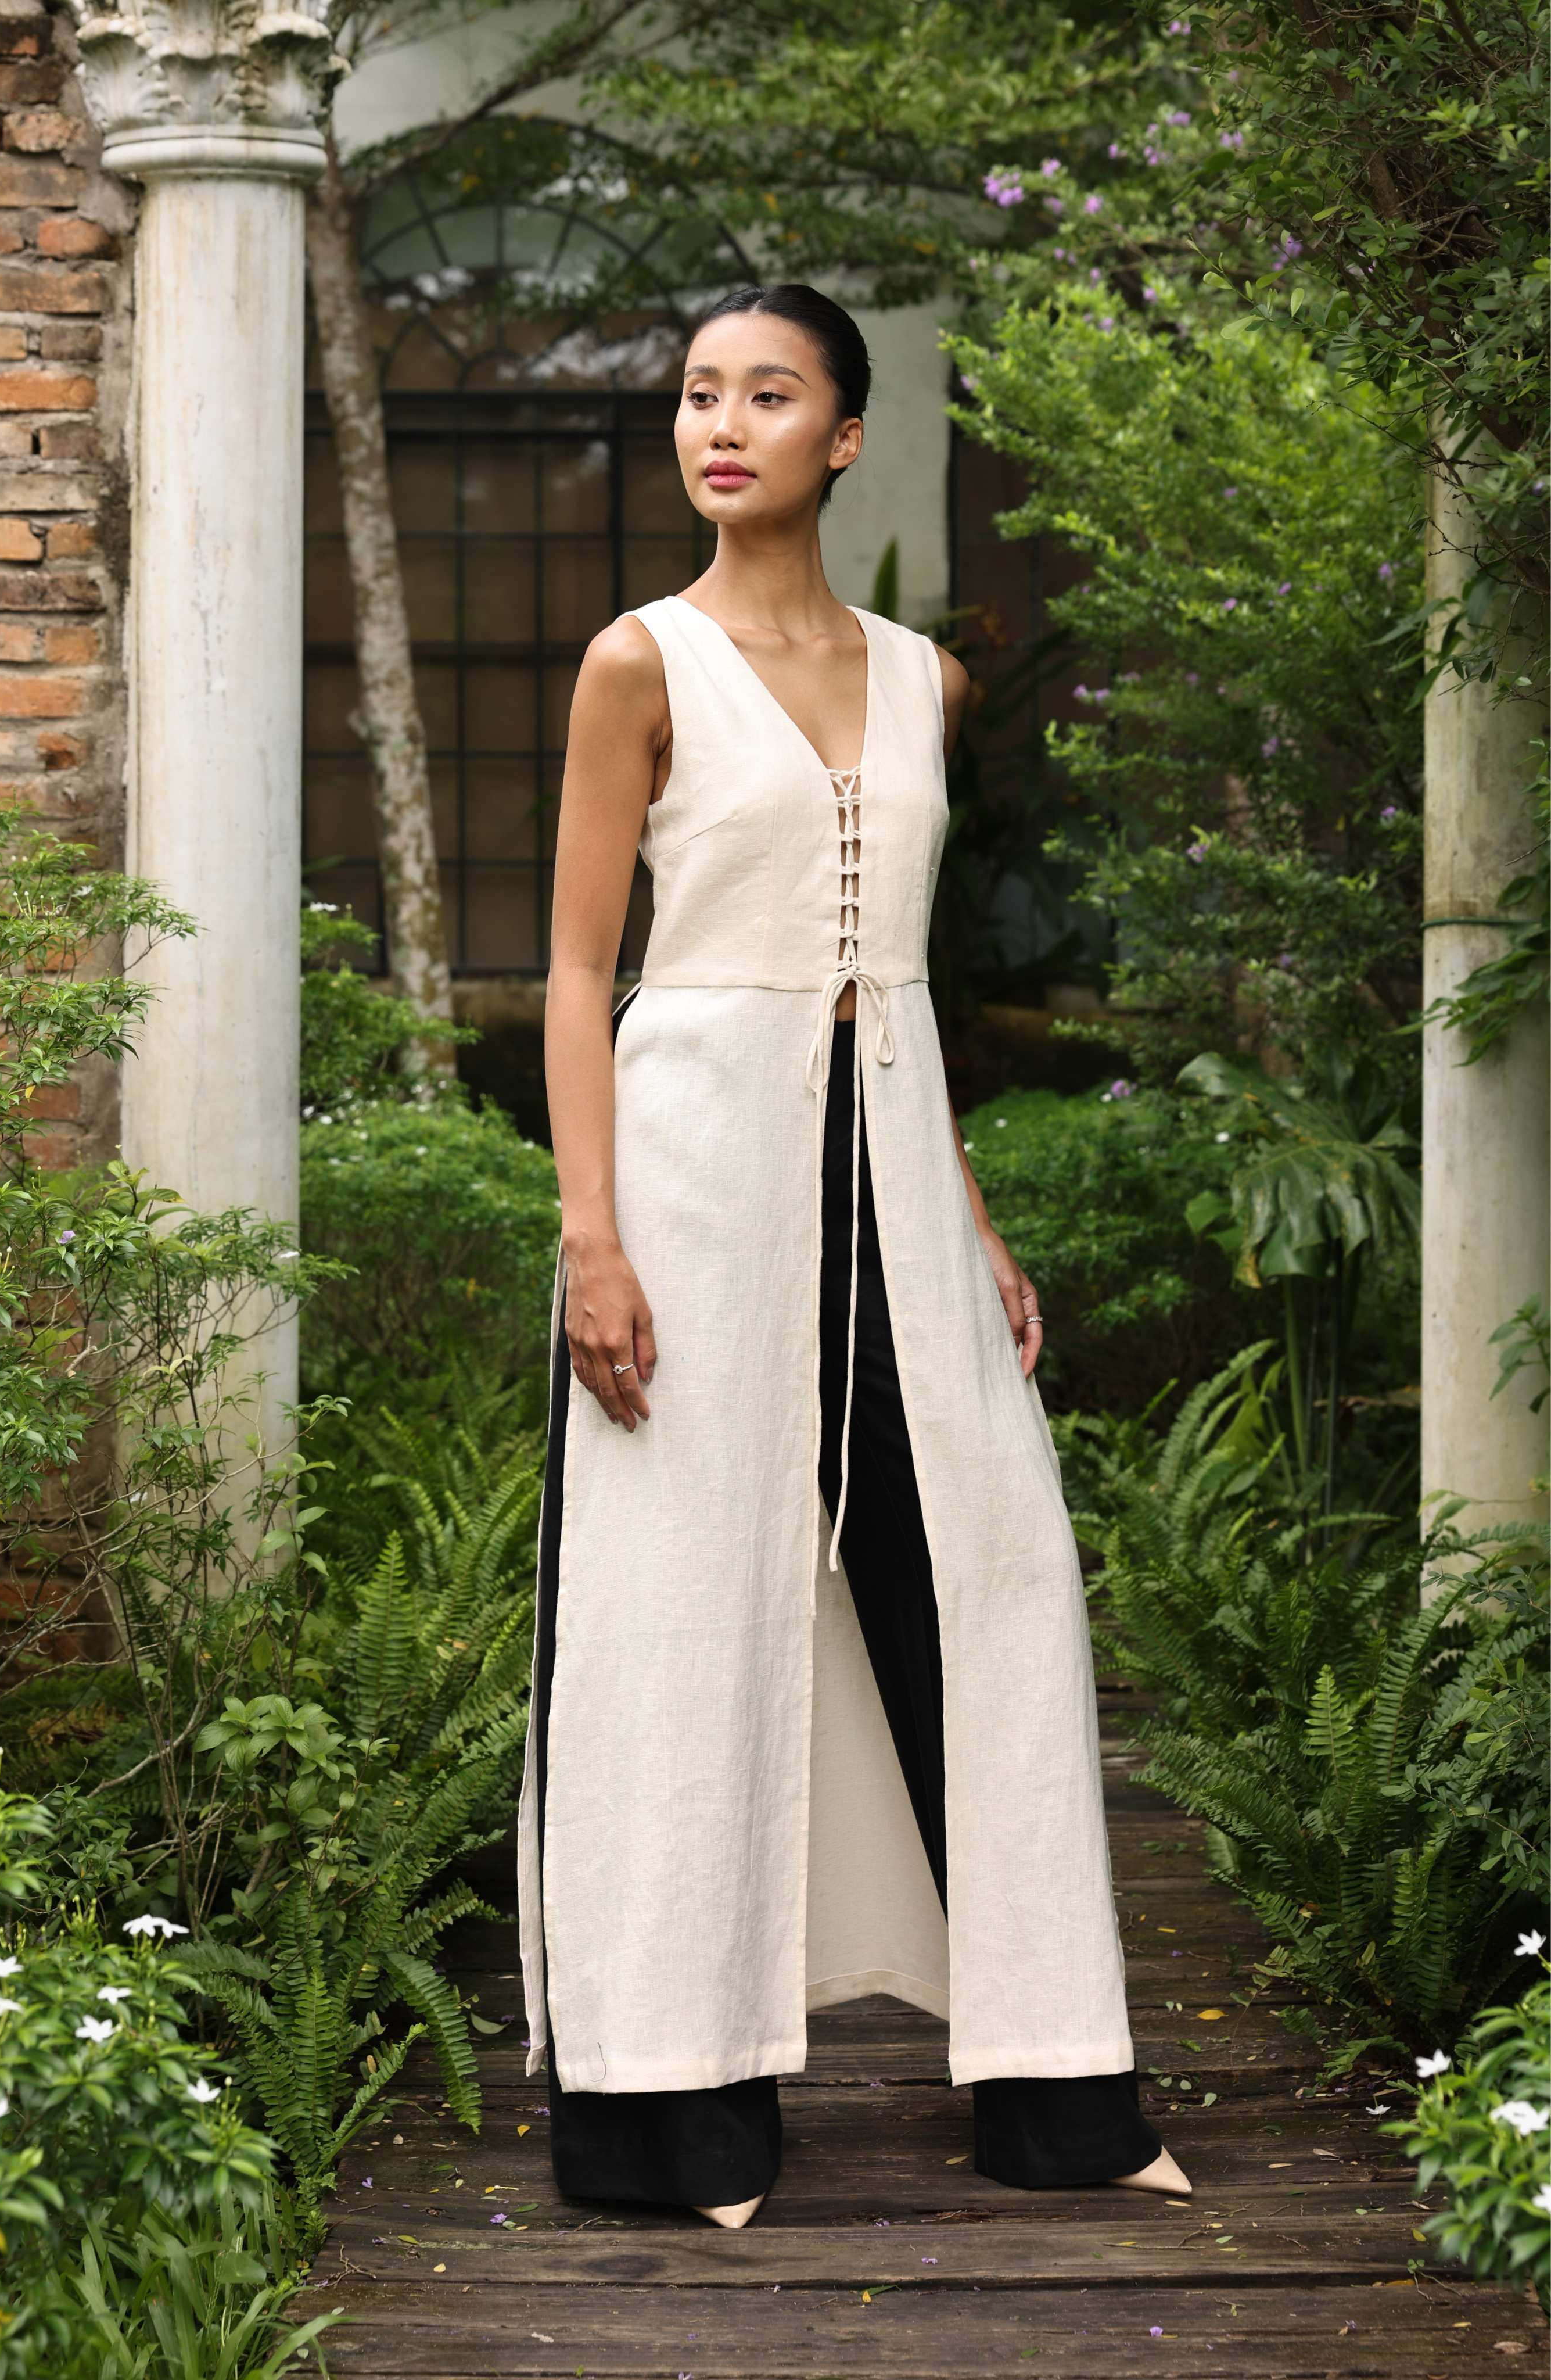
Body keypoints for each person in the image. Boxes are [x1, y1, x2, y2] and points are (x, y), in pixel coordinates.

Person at [515, 282, 1192, 2228]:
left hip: (889, 1167)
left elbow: (893, 981)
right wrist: (591, 1233)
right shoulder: (633, 663)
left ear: (846, 436)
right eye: (697, 393)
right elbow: (576, 967)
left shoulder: (923, 680)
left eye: (769, 393)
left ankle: (1057, 2092)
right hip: (688, 1175)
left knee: (998, 1577)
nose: (720, 423)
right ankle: (673, 2112)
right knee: (680, 1608)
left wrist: (960, 1215)